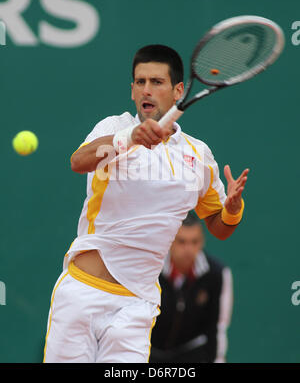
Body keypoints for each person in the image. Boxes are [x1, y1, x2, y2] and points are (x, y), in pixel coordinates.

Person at [43, 44, 249, 363]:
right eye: (140, 82)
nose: (146, 90)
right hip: (83, 296)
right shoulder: (113, 128)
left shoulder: (198, 156)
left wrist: (233, 209)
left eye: (156, 82)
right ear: (131, 90)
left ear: (178, 90)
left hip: (136, 307)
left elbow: (218, 227)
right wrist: (130, 138)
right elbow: (79, 161)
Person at [150, 212, 233, 363]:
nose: (188, 249)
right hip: (150, 353)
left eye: (194, 242)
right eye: (181, 242)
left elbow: (218, 327)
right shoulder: (151, 270)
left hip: (192, 354)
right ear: (170, 242)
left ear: (202, 242)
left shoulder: (217, 274)